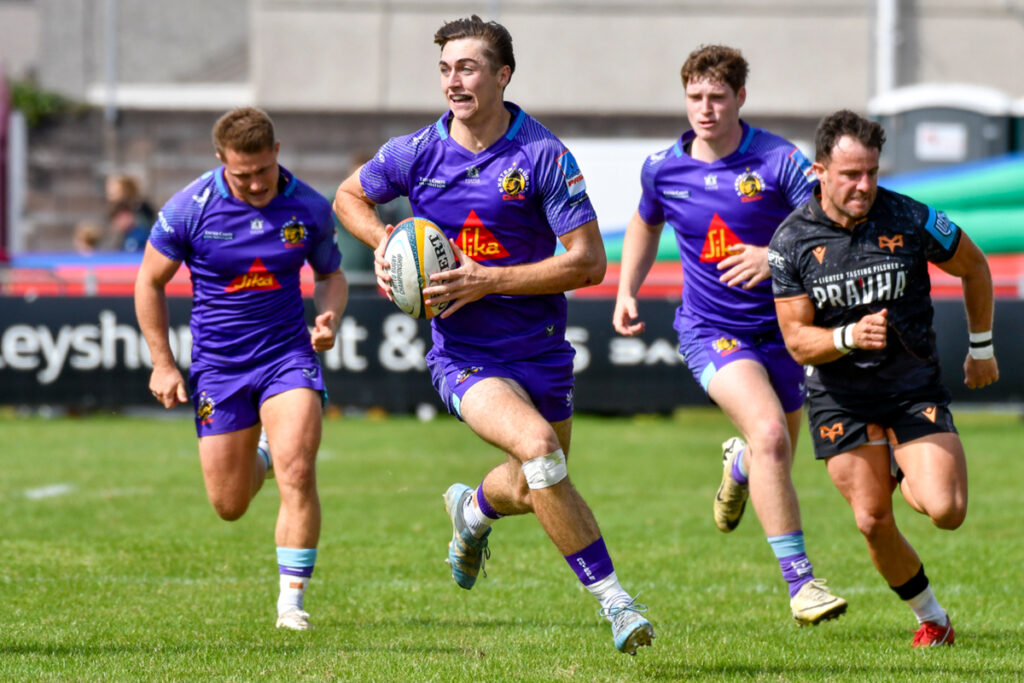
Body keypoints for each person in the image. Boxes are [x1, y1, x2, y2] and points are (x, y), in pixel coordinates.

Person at [333, 15, 654, 655]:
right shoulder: (415, 152)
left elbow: (589, 263)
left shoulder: (542, 156)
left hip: (541, 349)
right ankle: (616, 602)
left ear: (503, 75)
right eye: (445, 69)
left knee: (534, 482)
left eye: (468, 68)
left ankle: (473, 510)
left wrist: (488, 280)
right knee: (539, 448)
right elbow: (347, 196)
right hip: (465, 355)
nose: (454, 81)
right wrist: (386, 241)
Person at [612, 44, 847, 625]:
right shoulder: (663, 167)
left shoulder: (778, 161)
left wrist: (772, 256)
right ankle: (801, 586)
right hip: (711, 330)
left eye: (717, 97)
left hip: (786, 331)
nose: (705, 108)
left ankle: (739, 465)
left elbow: (829, 227)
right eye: (695, 97)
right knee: (770, 434)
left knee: (773, 453)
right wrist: (626, 289)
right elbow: (644, 222)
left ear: (741, 97)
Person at [768, 109, 998, 647]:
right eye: (850, 174)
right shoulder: (790, 241)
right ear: (820, 171)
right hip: (840, 398)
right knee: (873, 520)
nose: (864, 186)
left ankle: (899, 460)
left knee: (947, 511)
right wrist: (849, 336)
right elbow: (797, 340)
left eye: (871, 172)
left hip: (911, 388)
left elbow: (975, 266)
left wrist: (982, 348)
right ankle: (933, 619)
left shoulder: (911, 217)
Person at [134, 106, 348, 631]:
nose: (255, 183)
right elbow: (149, 282)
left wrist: (329, 317)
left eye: (262, 170)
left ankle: (291, 604)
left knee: (299, 471)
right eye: (241, 173)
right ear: (220, 160)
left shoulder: (309, 208)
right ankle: (264, 453)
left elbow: (331, 276)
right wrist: (162, 364)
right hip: (219, 367)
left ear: (277, 152)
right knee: (229, 504)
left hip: (287, 356)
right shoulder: (189, 209)